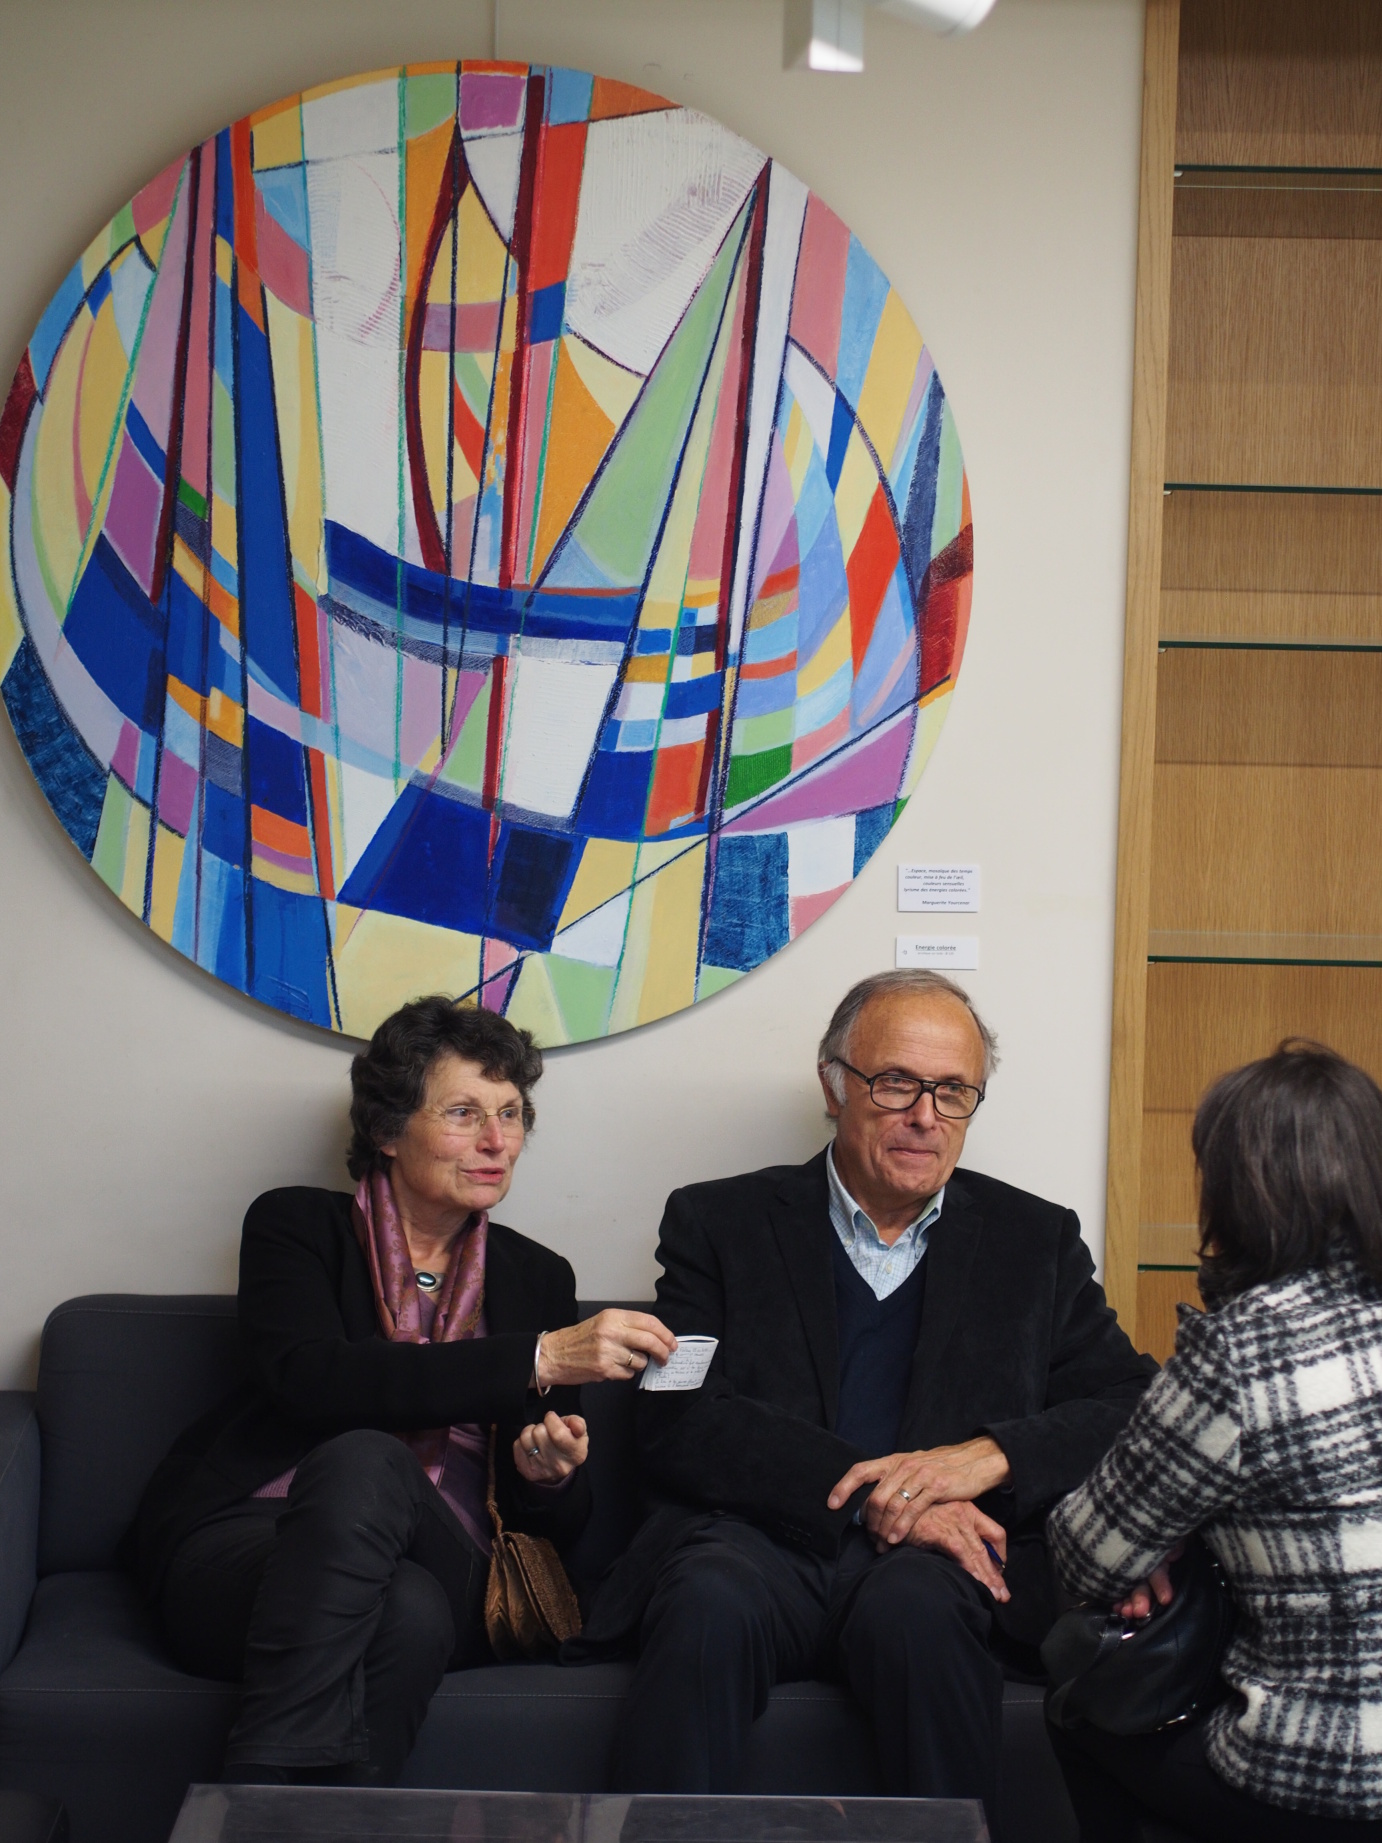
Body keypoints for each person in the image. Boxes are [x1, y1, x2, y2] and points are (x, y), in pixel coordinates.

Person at [577, 968, 1156, 1833]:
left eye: (953, 1091)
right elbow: (680, 1417)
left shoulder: (1035, 1240)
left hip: (933, 1566)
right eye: (896, 1083)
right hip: (755, 1541)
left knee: (922, 1613)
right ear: (834, 1084)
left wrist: (986, 1456)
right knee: (707, 1602)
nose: (926, 1115)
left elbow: (1130, 1406)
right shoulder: (719, 1221)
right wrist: (886, 1491)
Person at [135, 996, 675, 1787]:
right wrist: (534, 1357)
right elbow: (312, 1382)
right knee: (406, 1610)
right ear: (387, 1129)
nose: (497, 1141)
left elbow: (561, 1527)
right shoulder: (294, 1226)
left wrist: (547, 1475)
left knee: (372, 1473)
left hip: (452, 1548)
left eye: (510, 1113)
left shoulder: (537, 1276)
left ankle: (253, 1804)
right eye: (463, 1112)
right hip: (255, 1541)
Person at [1046, 1041, 1382, 1843]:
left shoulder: (1243, 1352)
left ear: (1238, 1190)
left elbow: (1086, 1554)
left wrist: (1170, 1542)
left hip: (1330, 1777)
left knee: (1077, 1715)